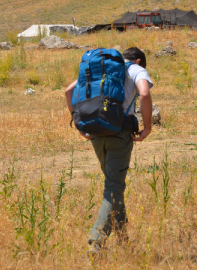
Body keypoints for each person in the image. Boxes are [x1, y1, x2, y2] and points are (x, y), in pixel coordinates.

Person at [64, 47, 153, 259]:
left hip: (95, 131)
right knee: (114, 187)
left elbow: (68, 91)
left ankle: (122, 238)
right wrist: (147, 126)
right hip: (119, 134)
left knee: (115, 185)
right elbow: (144, 93)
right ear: (139, 60)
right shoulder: (135, 70)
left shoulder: (100, 70)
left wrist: (77, 123)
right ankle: (96, 242)